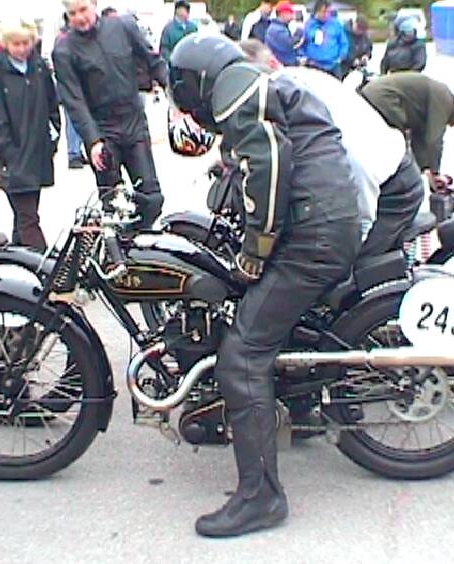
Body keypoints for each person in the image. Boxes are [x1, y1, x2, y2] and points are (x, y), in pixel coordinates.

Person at [169, 34, 361, 538]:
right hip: (322, 221)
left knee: (242, 356)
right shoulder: (256, 83)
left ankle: (262, 498)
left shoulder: (235, 85)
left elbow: (269, 161)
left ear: (194, 80)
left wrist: (255, 252)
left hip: (313, 236)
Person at [241, 39, 421, 263]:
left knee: (349, 272)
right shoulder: (296, 80)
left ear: (271, 65)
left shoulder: (296, 96)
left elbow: (355, 160)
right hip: (376, 174)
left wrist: (356, 235)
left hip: (389, 189)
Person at [53, 0, 166, 226]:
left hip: (134, 122)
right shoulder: (64, 50)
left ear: (94, 4)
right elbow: (74, 100)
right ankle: (119, 246)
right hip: (102, 130)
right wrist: (93, 140)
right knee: (114, 205)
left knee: (152, 198)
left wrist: (178, 103)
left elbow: (154, 62)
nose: (80, 18)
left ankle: (138, 238)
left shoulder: (123, 26)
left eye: (83, 10)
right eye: (72, 13)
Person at [0, 21, 61, 251]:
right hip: (13, 159)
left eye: (26, 43)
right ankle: (45, 263)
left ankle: (20, 259)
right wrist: (9, 153)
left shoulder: (39, 68)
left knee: (24, 218)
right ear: (6, 44)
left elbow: (52, 105)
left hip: (37, 153)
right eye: (16, 44)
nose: (22, 49)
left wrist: (52, 140)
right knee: (28, 219)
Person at [360, 73, 454, 173]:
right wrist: (435, 172)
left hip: (379, 94)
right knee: (397, 142)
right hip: (383, 97)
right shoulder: (444, 99)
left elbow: (419, 139)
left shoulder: (436, 104)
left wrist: (424, 170)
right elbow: (434, 140)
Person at [56, 13, 86, 169]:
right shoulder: (64, 39)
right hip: (70, 87)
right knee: (73, 121)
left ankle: (78, 151)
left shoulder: (76, 38)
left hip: (81, 85)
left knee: (82, 120)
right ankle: (73, 153)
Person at [302, 0, 349, 79]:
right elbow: (302, 43)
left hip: (333, 65)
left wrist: (341, 56)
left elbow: (343, 42)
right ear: (317, 11)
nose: (326, 14)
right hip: (315, 65)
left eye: (328, 12)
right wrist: (305, 58)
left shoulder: (335, 24)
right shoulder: (309, 25)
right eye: (324, 12)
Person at [264, 1, 298, 67]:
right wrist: (298, 35)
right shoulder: (277, 30)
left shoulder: (280, 27)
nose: (292, 16)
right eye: (290, 13)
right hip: (279, 66)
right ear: (282, 13)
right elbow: (288, 45)